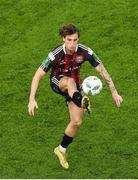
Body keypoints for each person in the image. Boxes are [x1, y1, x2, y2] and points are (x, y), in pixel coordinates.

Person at [28, 24, 123, 169]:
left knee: (77, 122)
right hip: (59, 82)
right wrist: (31, 99)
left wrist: (114, 91)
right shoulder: (55, 54)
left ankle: (61, 150)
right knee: (70, 81)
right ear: (63, 39)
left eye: (75, 40)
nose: (72, 44)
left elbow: (101, 69)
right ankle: (81, 100)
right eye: (69, 40)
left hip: (76, 88)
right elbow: (37, 75)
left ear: (78, 39)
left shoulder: (85, 52)